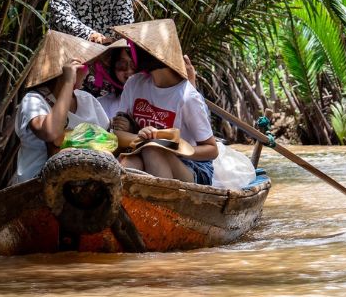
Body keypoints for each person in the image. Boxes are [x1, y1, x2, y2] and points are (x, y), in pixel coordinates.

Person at [111, 20, 218, 184]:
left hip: (192, 166)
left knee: (152, 150)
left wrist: (176, 147)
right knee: (131, 161)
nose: (132, 53)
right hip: (144, 152)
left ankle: (165, 206)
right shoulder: (134, 84)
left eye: (136, 48)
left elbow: (212, 150)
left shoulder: (187, 97)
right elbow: (118, 133)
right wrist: (141, 137)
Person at [12, 31, 111, 185]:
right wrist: (67, 82)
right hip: (39, 183)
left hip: (89, 181)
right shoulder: (34, 100)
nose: (88, 72)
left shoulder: (87, 99)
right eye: (84, 66)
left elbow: (107, 139)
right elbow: (51, 132)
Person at [96, 40, 137, 119]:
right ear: (113, 69)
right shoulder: (101, 105)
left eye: (134, 64)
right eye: (121, 65)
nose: (129, 71)